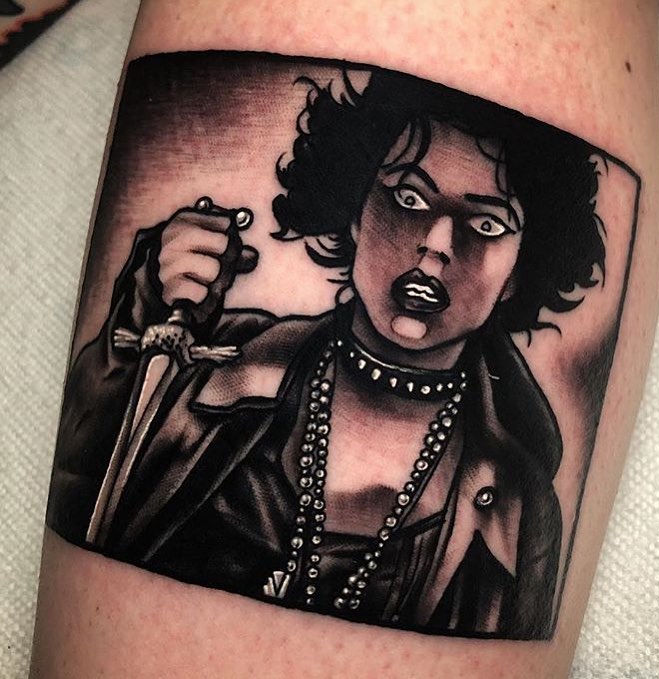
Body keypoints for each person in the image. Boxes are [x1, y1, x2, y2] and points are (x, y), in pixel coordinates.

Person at [47, 68, 606, 640]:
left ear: (519, 273)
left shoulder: (519, 509)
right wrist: (147, 314)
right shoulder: (211, 367)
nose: (437, 245)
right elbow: (80, 489)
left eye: (486, 224)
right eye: (408, 197)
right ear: (355, 210)